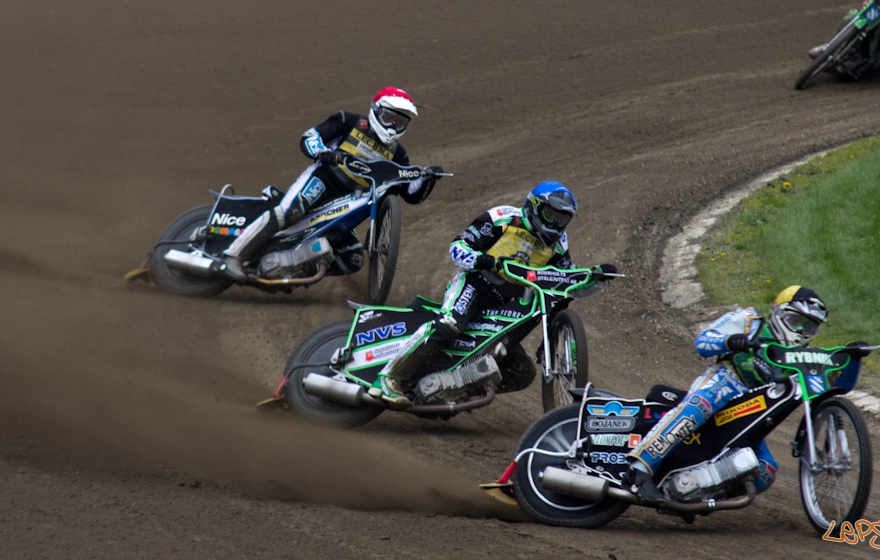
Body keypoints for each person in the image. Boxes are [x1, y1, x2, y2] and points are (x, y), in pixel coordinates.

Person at [377, 180, 613, 407]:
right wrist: (486, 261)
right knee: (449, 325)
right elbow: (457, 247)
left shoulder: (559, 243)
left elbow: (565, 280)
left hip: (505, 302)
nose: (556, 224)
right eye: (551, 216)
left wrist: (597, 278)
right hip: (475, 284)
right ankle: (389, 378)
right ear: (535, 207)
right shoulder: (504, 218)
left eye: (563, 219)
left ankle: (452, 391)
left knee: (522, 370)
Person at [621, 286, 829, 503]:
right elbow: (702, 342)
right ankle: (639, 469)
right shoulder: (749, 320)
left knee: (765, 471)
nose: (801, 331)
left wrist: (852, 357)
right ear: (778, 312)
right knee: (699, 405)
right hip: (724, 382)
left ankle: (694, 492)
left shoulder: (798, 357)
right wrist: (729, 341)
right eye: (796, 321)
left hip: (750, 411)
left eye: (810, 327)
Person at [218, 87, 439, 280]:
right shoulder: (349, 122)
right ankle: (233, 255)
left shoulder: (399, 155)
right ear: (376, 110)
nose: (393, 125)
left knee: (352, 259)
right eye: (389, 117)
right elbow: (309, 137)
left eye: (400, 121)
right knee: (290, 212)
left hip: (352, 200)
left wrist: (426, 179)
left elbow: (410, 194)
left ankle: (288, 269)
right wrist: (323, 152)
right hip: (325, 180)